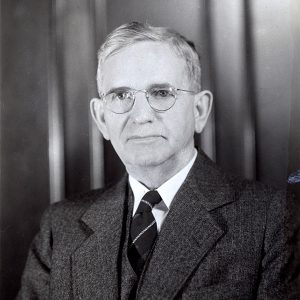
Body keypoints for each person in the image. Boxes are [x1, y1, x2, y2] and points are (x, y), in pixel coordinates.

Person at [18, 22, 299, 299]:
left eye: (162, 93)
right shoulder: (61, 227)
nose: (141, 116)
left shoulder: (270, 220)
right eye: (121, 95)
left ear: (200, 110)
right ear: (101, 118)